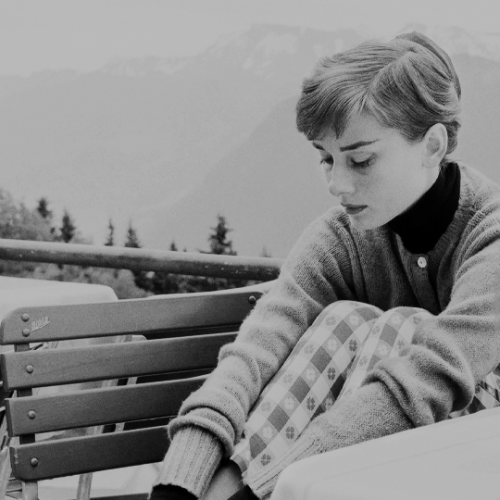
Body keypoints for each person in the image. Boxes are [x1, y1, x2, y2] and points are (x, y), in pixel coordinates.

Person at [149, 31, 500, 500]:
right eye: (326, 158)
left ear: (433, 146)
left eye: (360, 160)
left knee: (399, 329)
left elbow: (432, 376)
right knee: (343, 320)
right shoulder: (341, 235)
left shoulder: (491, 233)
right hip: (355, 473)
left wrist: (281, 482)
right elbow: (257, 348)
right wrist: (180, 482)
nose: (337, 183)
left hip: (479, 453)